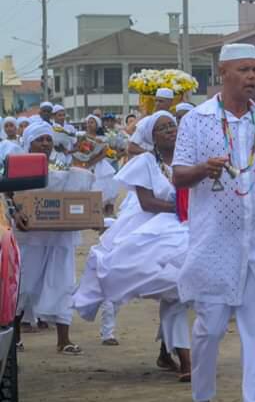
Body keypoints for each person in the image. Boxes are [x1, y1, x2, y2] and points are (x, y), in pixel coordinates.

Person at [171, 43, 255, 402]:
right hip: (215, 245)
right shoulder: (196, 121)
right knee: (210, 330)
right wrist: (203, 169)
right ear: (222, 73)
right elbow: (178, 176)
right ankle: (203, 395)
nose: (251, 78)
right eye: (243, 70)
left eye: (254, 71)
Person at [74, 110, 193, 381]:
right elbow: (148, 203)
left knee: (183, 292)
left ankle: (168, 351)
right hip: (155, 229)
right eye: (163, 129)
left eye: (172, 126)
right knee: (176, 290)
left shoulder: (189, 160)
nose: (170, 131)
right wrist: (181, 207)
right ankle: (187, 361)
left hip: (189, 228)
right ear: (152, 137)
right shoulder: (145, 163)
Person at [14, 121, 92, 355]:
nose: (45, 144)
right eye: (40, 139)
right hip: (30, 237)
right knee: (23, 286)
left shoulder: (62, 165)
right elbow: (10, 195)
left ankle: (63, 340)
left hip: (60, 236)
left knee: (64, 284)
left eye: (48, 139)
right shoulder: (17, 167)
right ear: (29, 143)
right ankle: (15, 337)